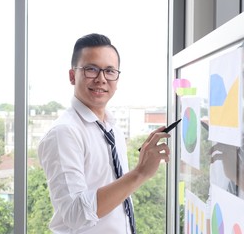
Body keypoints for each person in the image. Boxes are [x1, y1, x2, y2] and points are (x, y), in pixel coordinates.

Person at [38, 33, 171, 233]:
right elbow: (76, 214)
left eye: (109, 71)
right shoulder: (64, 132)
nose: (101, 79)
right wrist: (140, 173)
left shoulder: (113, 128)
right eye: (91, 69)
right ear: (72, 76)